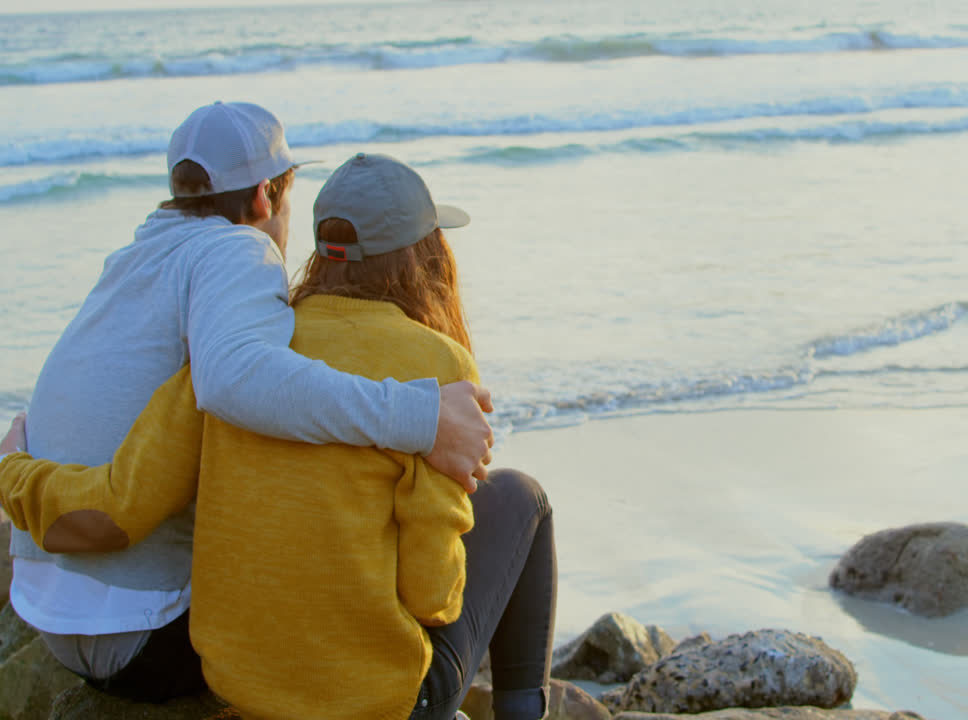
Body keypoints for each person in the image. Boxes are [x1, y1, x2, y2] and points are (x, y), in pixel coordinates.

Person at [0, 152, 557, 720]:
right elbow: (432, 596)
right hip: (378, 701)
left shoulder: (236, 351)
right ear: (426, 255)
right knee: (520, 496)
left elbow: (121, 502)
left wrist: (13, 469)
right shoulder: (437, 364)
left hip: (240, 687)